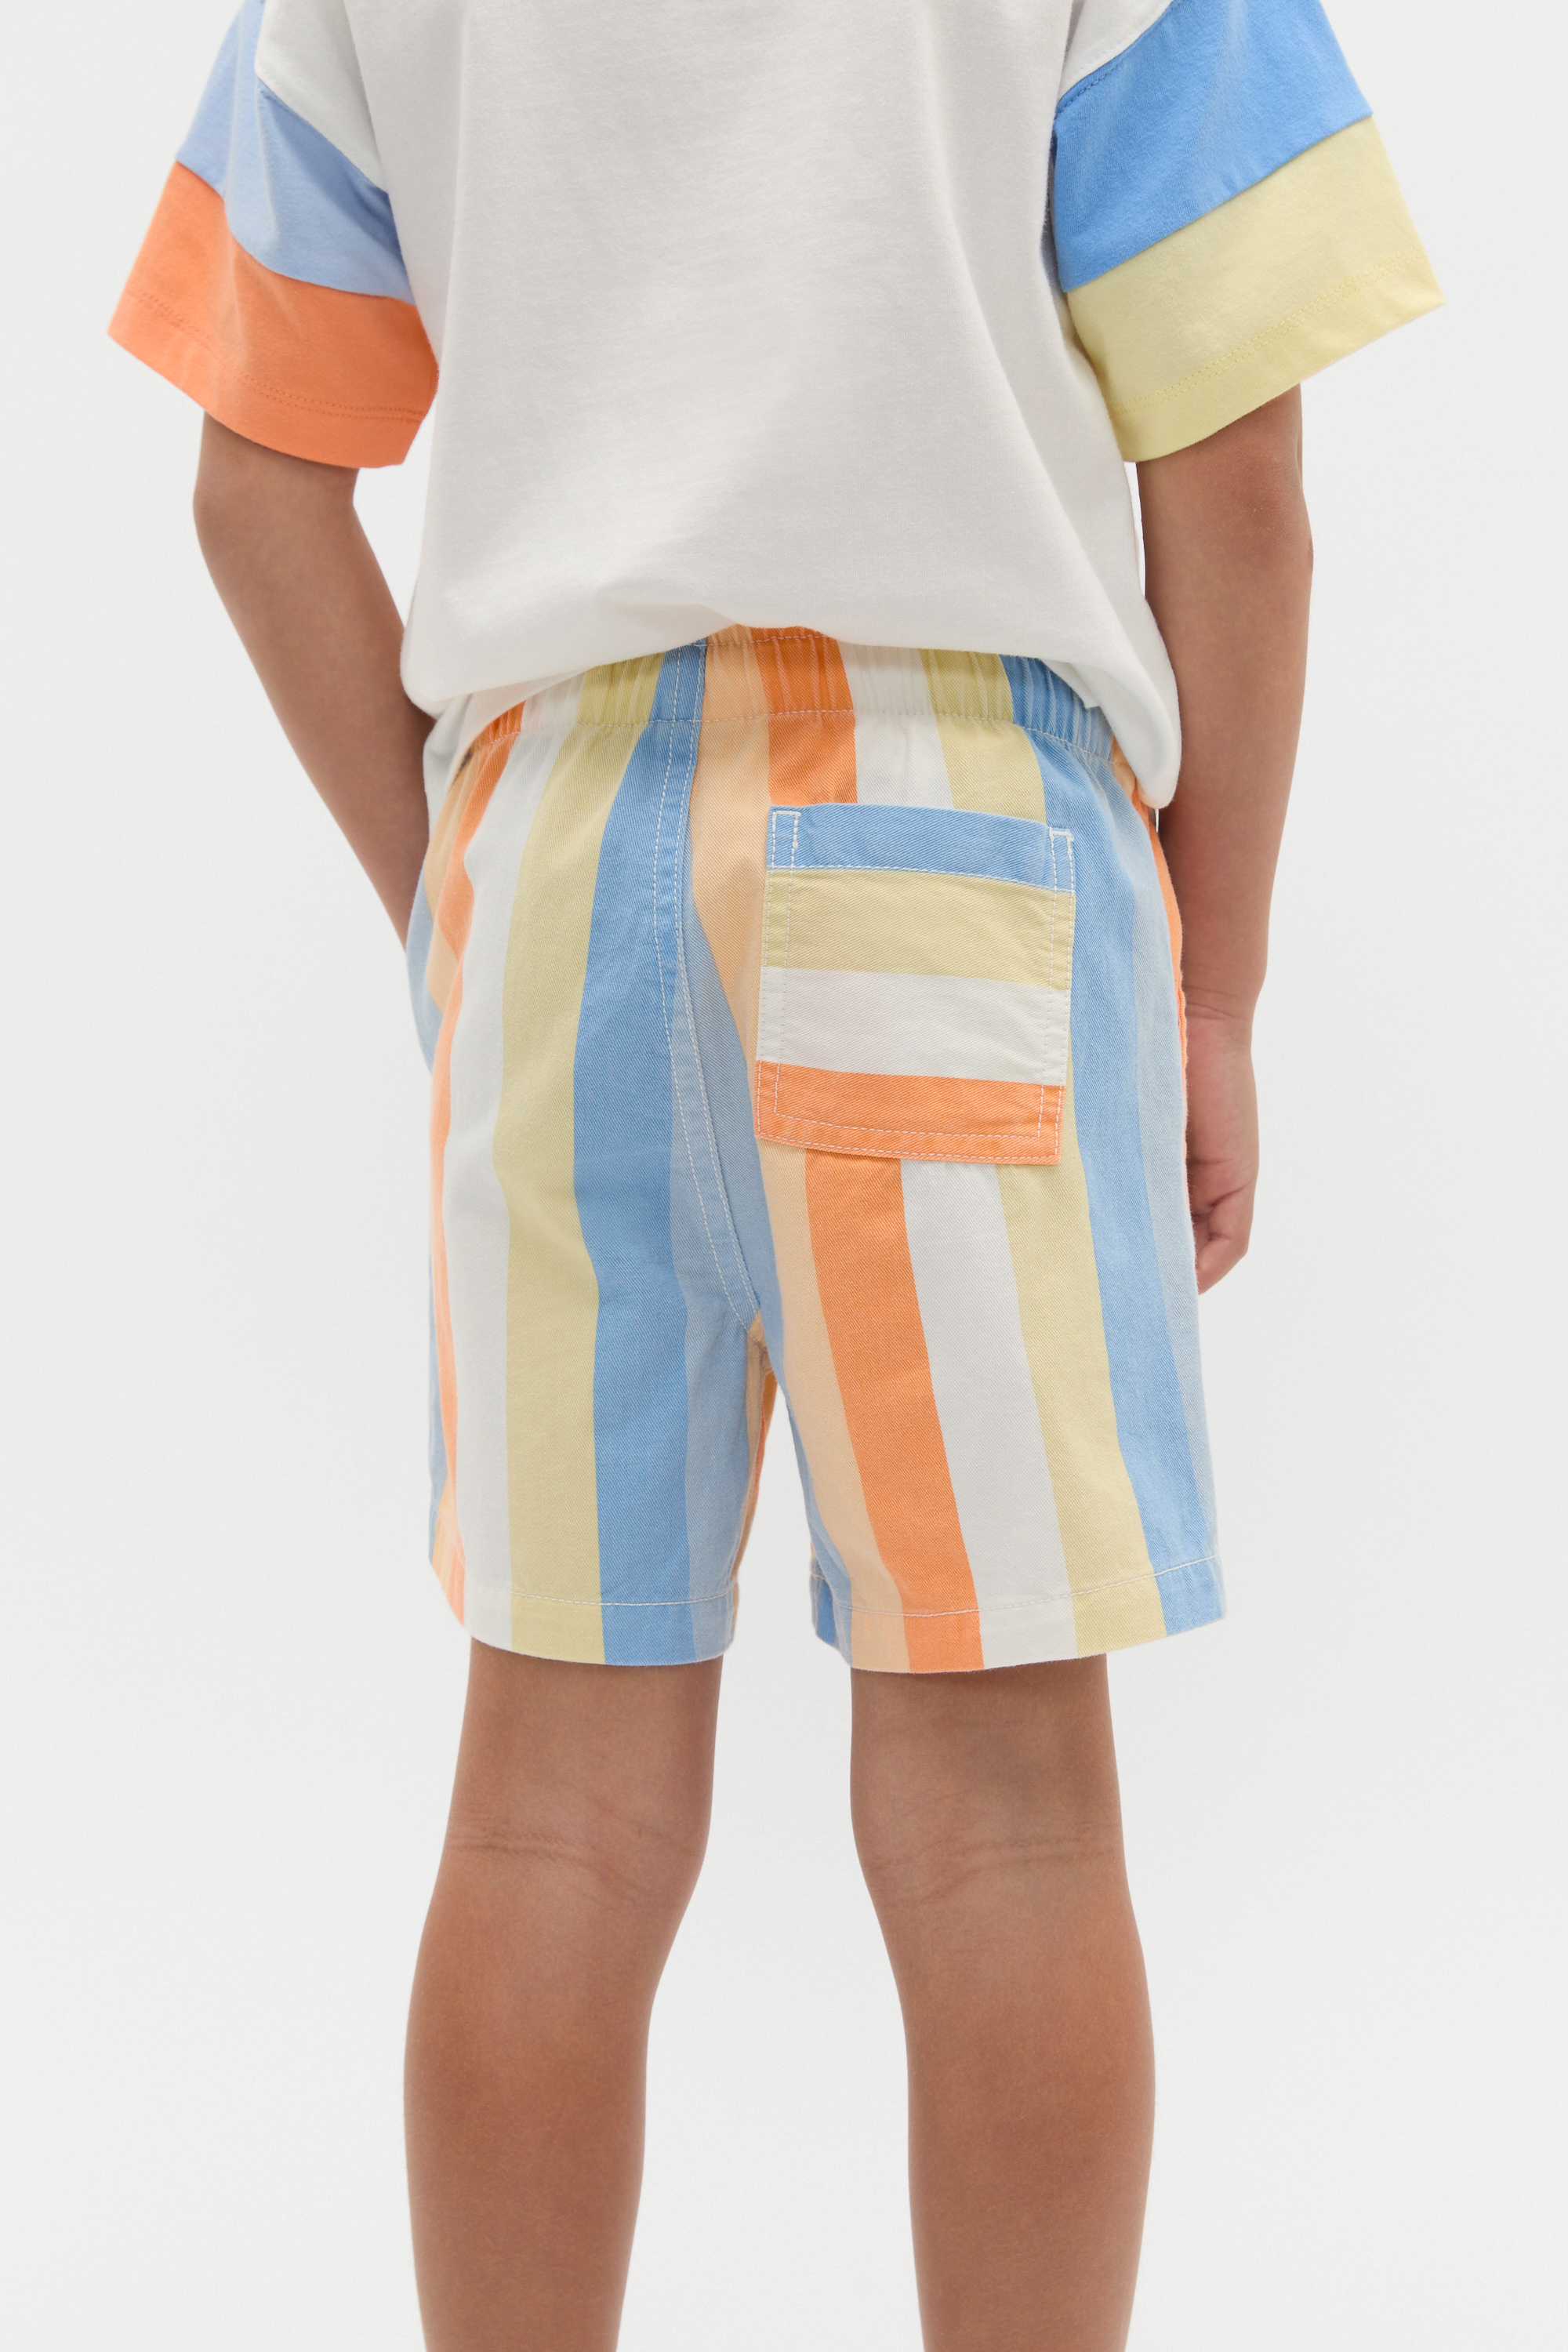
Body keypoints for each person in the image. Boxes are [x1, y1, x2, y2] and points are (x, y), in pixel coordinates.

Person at [111, 2, 1439, 2344]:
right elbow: (1234, 457)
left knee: (550, 1808)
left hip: (546, 842)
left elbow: (253, 481)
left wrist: (457, 905)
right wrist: (1216, 985)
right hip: (957, 829)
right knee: (1006, 1821)